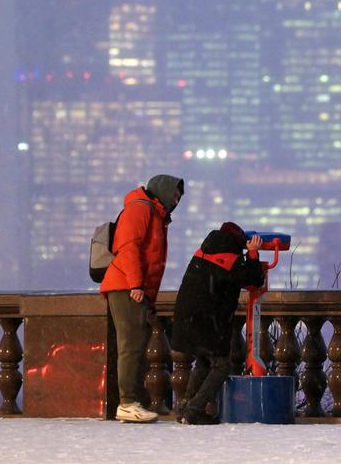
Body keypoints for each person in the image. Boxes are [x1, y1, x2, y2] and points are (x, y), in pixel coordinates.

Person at [99, 173, 184, 423]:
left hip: (132, 287)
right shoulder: (140, 208)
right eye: (175, 194)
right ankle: (126, 403)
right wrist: (136, 284)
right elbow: (128, 247)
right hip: (126, 285)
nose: (177, 200)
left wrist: (149, 298)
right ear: (163, 191)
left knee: (134, 345)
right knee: (130, 345)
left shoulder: (154, 213)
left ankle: (131, 401)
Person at [171, 222, 266, 425]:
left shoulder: (204, 251)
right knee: (222, 366)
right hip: (208, 320)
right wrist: (253, 254)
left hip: (187, 316)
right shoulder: (230, 258)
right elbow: (255, 279)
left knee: (204, 361)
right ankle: (194, 409)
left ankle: (185, 408)